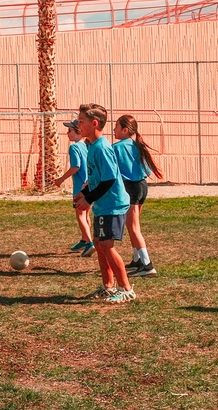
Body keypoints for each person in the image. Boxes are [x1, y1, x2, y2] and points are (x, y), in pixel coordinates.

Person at [74, 103, 135, 304]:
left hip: (113, 205)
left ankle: (126, 289)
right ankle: (108, 287)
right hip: (103, 205)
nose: (78, 125)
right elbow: (96, 178)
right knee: (99, 244)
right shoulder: (91, 146)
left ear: (94, 123)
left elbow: (109, 180)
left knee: (107, 245)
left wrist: (88, 199)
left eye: (81, 122)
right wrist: (84, 192)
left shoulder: (102, 148)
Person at [113, 114, 164, 278]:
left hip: (130, 188)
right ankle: (137, 259)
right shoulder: (137, 145)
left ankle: (147, 265)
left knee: (134, 228)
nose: (113, 130)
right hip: (142, 186)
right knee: (132, 225)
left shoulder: (117, 147)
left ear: (125, 130)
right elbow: (146, 169)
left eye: (116, 127)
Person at [52, 119, 94, 257]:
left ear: (78, 132)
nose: (67, 133)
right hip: (89, 185)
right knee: (86, 214)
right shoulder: (86, 146)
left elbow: (76, 167)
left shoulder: (74, 147)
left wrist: (60, 179)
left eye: (69, 131)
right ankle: (84, 239)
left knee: (80, 215)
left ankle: (90, 243)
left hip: (80, 187)